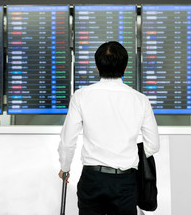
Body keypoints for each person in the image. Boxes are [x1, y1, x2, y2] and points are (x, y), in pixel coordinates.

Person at [58, 41, 159, 215]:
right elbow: (153, 145)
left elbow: (68, 141)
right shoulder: (140, 100)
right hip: (126, 181)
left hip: (92, 179)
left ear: (97, 67)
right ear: (126, 66)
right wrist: (127, 151)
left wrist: (65, 167)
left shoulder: (81, 96)